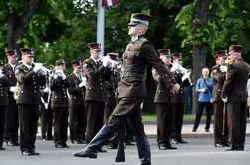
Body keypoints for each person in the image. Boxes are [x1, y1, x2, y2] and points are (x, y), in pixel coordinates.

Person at [74, 12, 180, 165]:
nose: (129, 26)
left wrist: (172, 83)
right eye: (130, 24)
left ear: (142, 29)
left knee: (114, 118)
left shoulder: (145, 45)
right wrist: (120, 86)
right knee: (137, 127)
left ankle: (93, 147)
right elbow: (125, 70)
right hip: (127, 88)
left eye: (133, 25)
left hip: (135, 89)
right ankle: (145, 161)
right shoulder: (130, 45)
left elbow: (158, 64)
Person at [16, 48, 47, 156]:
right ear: (23, 58)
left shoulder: (34, 69)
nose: (31, 58)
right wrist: (34, 71)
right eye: (29, 57)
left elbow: (42, 83)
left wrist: (42, 74)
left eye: (32, 57)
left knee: (33, 125)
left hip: (35, 100)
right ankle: (24, 148)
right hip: (24, 100)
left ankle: (31, 147)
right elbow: (23, 79)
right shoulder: (19, 68)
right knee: (25, 126)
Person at [221, 45, 250, 151]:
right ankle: (241, 143)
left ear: (234, 55)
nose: (229, 58)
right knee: (242, 122)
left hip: (233, 97)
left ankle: (235, 144)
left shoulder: (233, 66)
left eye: (230, 55)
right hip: (243, 96)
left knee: (233, 122)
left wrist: (224, 94)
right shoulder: (246, 65)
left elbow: (228, 82)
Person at [83, 42, 110, 146]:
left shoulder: (100, 63)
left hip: (101, 95)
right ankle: (90, 143)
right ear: (91, 52)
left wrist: (108, 67)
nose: (98, 53)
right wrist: (104, 66)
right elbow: (92, 75)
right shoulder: (87, 62)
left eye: (99, 51)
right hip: (92, 95)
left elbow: (106, 77)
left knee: (99, 121)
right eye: (96, 51)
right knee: (91, 121)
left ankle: (98, 144)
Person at [153, 49, 178, 150]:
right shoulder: (156, 68)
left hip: (171, 98)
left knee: (170, 121)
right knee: (162, 122)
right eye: (167, 57)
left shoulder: (171, 69)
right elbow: (159, 79)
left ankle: (167, 141)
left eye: (169, 57)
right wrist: (170, 73)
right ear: (161, 58)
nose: (169, 59)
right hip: (161, 98)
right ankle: (161, 142)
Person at [211, 50, 230, 147]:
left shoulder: (227, 68)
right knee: (218, 120)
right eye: (224, 58)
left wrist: (227, 70)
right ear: (218, 59)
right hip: (218, 97)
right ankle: (218, 140)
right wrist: (227, 72)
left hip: (226, 95)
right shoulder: (215, 69)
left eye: (226, 58)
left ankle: (225, 138)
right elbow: (219, 78)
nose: (226, 60)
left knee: (226, 119)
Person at [50, 59, 70, 148]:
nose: (63, 67)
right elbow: (52, 87)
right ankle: (58, 141)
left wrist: (64, 77)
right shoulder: (53, 75)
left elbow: (69, 85)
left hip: (64, 101)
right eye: (62, 66)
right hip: (57, 101)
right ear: (57, 67)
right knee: (58, 122)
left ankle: (63, 140)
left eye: (64, 66)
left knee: (64, 122)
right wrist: (55, 76)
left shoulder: (64, 75)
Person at [170, 52, 188, 145]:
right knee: (173, 118)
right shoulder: (171, 69)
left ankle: (178, 135)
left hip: (181, 97)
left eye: (181, 60)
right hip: (173, 97)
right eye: (178, 60)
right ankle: (172, 136)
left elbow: (187, 84)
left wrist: (186, 76)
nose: (180, 62)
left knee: (179, 119)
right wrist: (174, 71)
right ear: (174, 60)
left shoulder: (181, 70)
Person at [68, 60, 87, 144]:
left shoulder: (83, 77)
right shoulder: (70, 77)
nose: (80, 69)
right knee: (73, 121)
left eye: (81, 67)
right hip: (74, 102)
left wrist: (85, 84)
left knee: (82, 120)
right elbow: (70, 90)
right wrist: (79, 86)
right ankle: (74, 138)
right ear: (74, 67)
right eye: (78, 67)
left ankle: (81, 136)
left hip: (82, 101)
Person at [4, 50, 20, 147]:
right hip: (9, 96)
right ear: (8, 58)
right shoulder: (5, 68)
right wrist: (10, 88)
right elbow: (1, 83)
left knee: (17, 119)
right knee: (9, 118)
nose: (15, 59)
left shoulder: (19, 67)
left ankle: (15, 138)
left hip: (18, 96)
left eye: (16, 57)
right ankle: (8, 138)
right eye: (13, 57)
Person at [193, 68, 213, 133]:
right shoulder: (200, 80)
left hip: (209, 100)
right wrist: (202, 90)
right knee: (198, 114)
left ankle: (207, 128)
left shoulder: (211, 80)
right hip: (201, 99)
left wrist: (212, 98)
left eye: (207, 72)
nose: (206, 73)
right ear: (202, 73)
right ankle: (195, 127)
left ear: (209, 72)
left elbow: (213, 90)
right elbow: (196, 89)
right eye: (204, 72)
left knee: (209, 114)